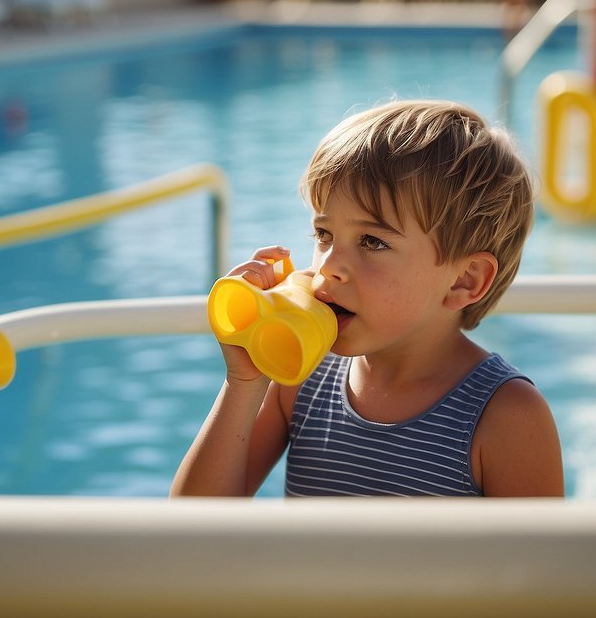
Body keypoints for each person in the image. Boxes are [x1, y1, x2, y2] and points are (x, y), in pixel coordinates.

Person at [171, 100, 564, 498]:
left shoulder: (506, 417)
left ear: (464, 280)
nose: (329, 266)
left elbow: (541, 562)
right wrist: (244, 382)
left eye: (372, 241)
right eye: (324, 235)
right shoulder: (299, 377)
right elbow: (190, 539)